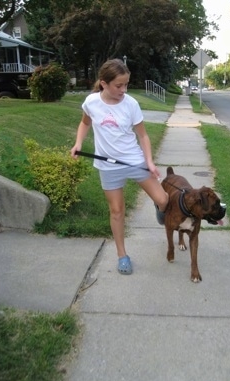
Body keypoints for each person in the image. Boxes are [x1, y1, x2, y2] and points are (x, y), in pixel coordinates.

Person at [71, 58, 168, 275]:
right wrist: (78, 143)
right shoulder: (91, 102)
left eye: (126, 84)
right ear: (104, 84)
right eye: (119, 85)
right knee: (116, 211)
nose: (123, 90)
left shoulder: (131, 104)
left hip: (134, 160)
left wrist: (149, 162)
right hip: (108, 166)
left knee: (163, 200)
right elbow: (85, 123)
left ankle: (158, 208)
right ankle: (122, 255)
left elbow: (142, 135)